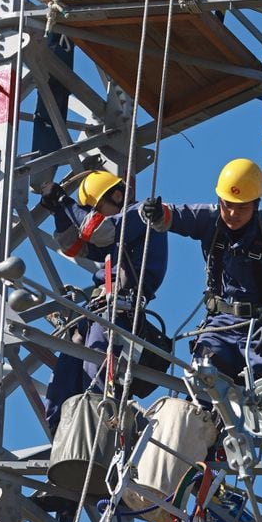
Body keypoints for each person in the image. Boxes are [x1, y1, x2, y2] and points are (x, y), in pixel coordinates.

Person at [140, 158, 262, 389]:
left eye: (242, 207)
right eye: (227, 204)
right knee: (201, 381)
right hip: (221, 326)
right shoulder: (210, 220)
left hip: (261, 324)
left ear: (255, 205)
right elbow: (173, 216)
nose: (232, 213)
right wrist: (154, 213)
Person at [40, 170, 168, 432]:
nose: (92, 215)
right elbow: (74, 246)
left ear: (117, 196)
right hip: (98, 310)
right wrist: (58, 212)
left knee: (96, 377)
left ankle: (103, 436)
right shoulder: (117, 230)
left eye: (96, 209)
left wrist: (65, 202)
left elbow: (97, 231)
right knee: (62, 381)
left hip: (119, 310)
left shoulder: (141, 214)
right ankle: (60, 438)